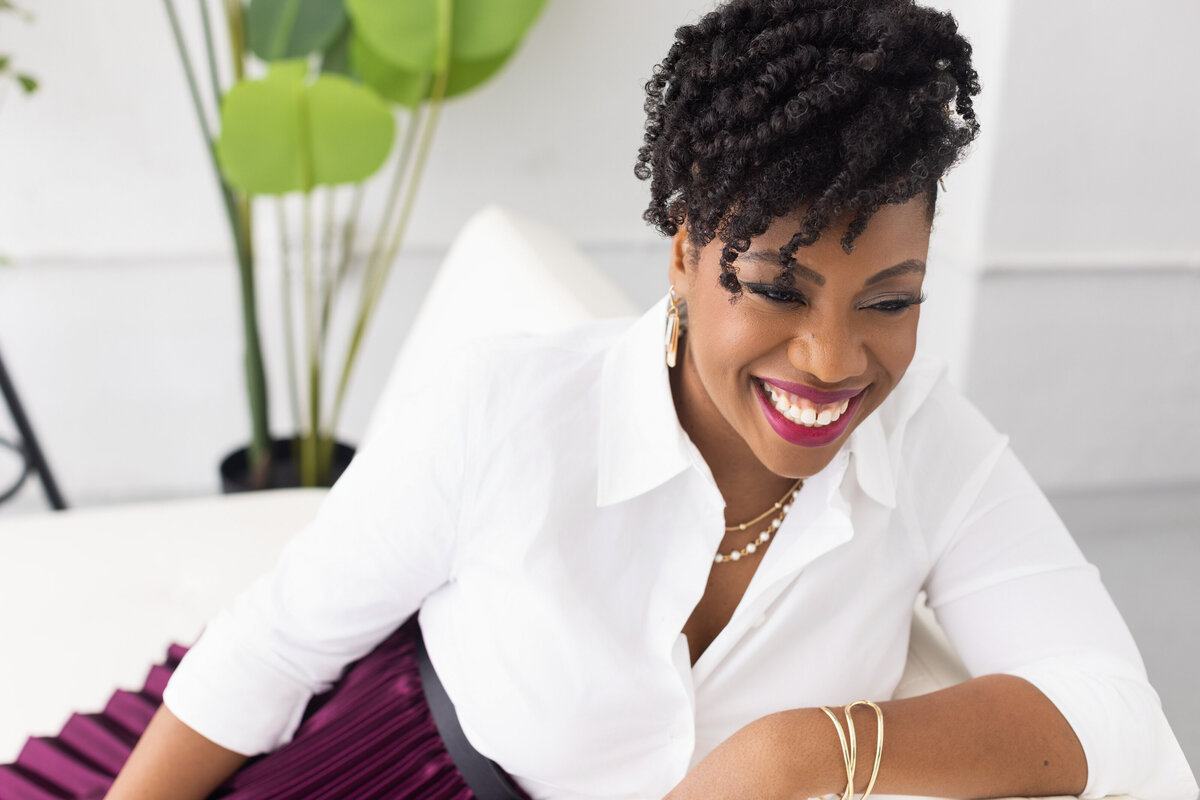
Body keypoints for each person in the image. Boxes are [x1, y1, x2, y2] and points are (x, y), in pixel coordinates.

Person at [52, 0, 1195, 798]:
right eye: (774, 289)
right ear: (686, 251)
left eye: (890, 300)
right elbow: (274, 647)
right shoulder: (506, 406)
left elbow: (1111, 709)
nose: (834, 358)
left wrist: (796, 753)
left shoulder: (935, 445)